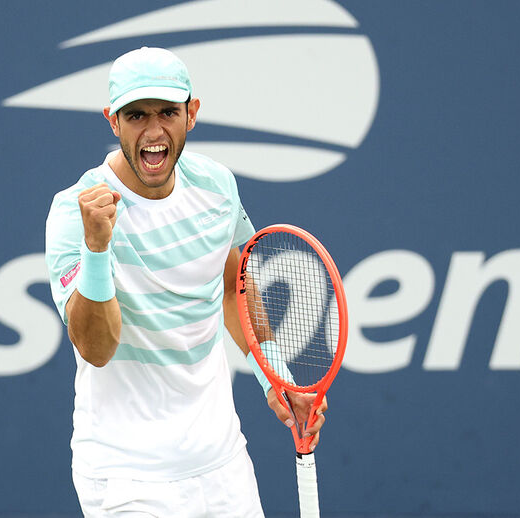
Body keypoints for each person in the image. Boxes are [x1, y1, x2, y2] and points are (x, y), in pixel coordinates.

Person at [44, 46, 328, 517]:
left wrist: (275, 376)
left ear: (192, 114)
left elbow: (235, 284)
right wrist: (97, 249)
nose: (154, 132)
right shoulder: (75, 211)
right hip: (126, 478)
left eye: (167, 113)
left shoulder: (217, 186)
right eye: (136, 115)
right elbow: (96, 348)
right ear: (112, 121)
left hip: (222, 465)